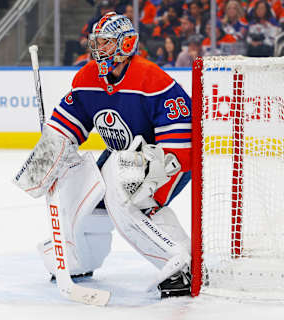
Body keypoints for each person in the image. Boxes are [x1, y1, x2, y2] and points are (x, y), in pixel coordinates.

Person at [13, 12, 192, 299]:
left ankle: (184, 263)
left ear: (126, 43)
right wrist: (44, 164)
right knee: (87, 197)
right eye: (96, 42)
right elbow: (65, 125)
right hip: (121, 157)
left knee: (127, 200)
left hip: (167, 160)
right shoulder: (86, 78)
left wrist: (155, 179)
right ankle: (80, 259)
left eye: (106, 43)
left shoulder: (151, 79)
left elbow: (182, 138)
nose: (98, 49)